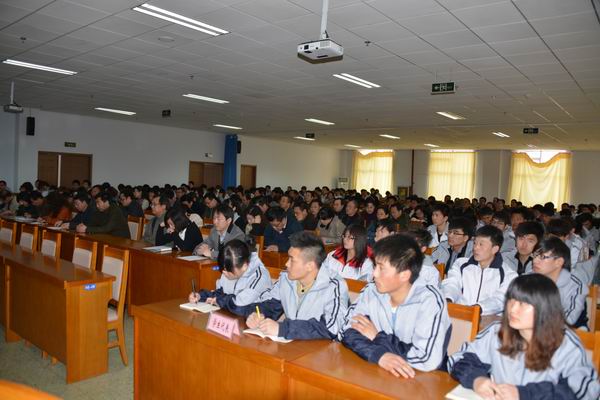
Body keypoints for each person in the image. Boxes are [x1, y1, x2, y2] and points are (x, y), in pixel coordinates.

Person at [448, 274, 599, 400]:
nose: (513, 309)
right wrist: (476, 379)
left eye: (523, 304)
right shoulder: (497, 332)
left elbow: (585, 392)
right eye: (511, 300)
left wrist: (523, 394)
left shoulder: (566, 343)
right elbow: (458, 358)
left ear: (544, 308)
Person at [341, 235, 451, 376]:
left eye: (381, 268)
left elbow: (426, 358)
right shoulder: (371, 290)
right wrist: (379, 355)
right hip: (379, 372)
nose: (374, 274)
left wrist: (378, 337)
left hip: (424, 379)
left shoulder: (430, 300)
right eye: (375, 266)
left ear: (404, 275)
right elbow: (347, 329)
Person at [241, 231, 349, 340]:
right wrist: (257, 314)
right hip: (292, 344)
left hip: (322, 347)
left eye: (292, 259)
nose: (286, 264)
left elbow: (331, 327)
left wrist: (284, 329)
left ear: (309, 266)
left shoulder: (334, 286)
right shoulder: (286, 279)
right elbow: (269, 304)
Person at [442, 225, 517, 316]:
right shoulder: (461, 264)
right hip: (459, 314)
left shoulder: (508, 274)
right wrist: (448, 298)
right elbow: (452, 284)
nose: (475, 248)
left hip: (488, 319)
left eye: (481, 244)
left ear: (495, 249)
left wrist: (479, 308)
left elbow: (500, 299)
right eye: (475, 243)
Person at [188, 239, 271, 312]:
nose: (224, 273)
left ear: (244, 266)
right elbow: (220, 293)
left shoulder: (259, 277)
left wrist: (220, 301)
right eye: (223, 270)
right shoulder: (229, 268)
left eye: (228, 271)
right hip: (230, 317)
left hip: (254, 320)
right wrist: (201, 296)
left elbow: (240, 305)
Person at [531, 237, 588, 328]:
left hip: (570, 331)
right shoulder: (528, 279)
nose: (535, 260)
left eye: (542, 257)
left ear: (559, 262)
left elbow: (569, 319)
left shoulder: (576, 285)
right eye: (534, 255)